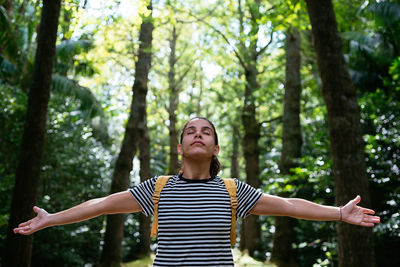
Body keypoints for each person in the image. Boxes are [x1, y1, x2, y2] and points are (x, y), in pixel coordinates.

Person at [14, 117, 380, 266]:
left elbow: (287, 205)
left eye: (206, 131)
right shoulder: (155, 189)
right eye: (191, 130)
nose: (198, 134)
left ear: (216, 148)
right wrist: (50, 219)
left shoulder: (234, 190)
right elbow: (99, 205)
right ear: (180, 146)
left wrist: (338, 212)